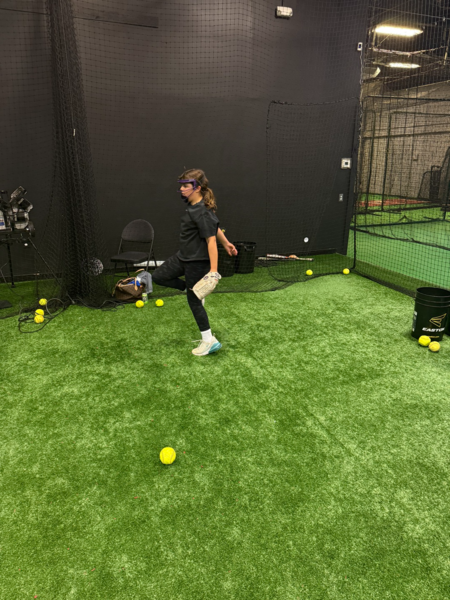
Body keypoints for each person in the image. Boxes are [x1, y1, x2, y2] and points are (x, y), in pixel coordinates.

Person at [152, 168, 237, 356]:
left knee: (193, 302)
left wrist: (213, 271)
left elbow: (211, 241)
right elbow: (215, 228)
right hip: (183, 257)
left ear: (197, 188)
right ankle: (191, 289)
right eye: (181, 186)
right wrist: (227, 243)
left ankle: (209, 341)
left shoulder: (202, 211)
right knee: (158, 276)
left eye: (186, 186)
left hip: (197, 262)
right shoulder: (196, 207)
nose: (182, 189)